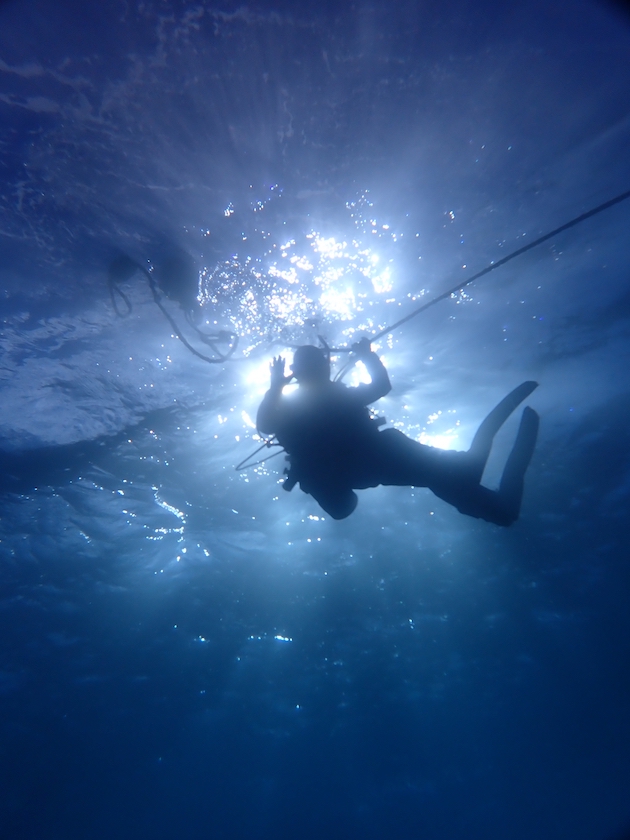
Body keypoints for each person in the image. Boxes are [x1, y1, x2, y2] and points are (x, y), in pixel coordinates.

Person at [256, 338, 539, 525]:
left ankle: (488, 475)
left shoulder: (307, 403)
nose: (319, 372)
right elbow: (265, 426)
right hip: (380, 462)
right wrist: (367, 356)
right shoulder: (312, 402)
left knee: (480, 494)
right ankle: (486, 463)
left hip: (378, 463)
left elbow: (266, 425)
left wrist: (275, 388)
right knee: (464, 480)